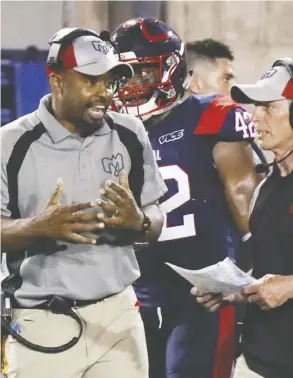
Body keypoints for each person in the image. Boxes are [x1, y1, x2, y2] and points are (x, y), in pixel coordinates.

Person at [0, 27, 167, 378]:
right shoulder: (10, 143)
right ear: (57, 81)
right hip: (41, 319)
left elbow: (156, 215)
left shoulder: (130, 133)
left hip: (118, 314)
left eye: (110, 82)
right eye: (92, 81)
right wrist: (36, 228)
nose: (104, 93)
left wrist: (140, 222)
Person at [111, 18, 261, 378]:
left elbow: (248, 204)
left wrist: (255, 277)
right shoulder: (108, 130)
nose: (132, 84)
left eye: (144, 73)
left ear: (172, 70)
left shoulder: (212, 115)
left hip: (205, 295)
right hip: (135, 296)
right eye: (124, 74)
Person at [192, 58, 293, 378]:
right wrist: (231, 293)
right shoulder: (266, 186)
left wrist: (290, 286)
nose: (255, 117)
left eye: (269, 108)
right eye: (255, 107)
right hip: (259, 360)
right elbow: (266, 270)